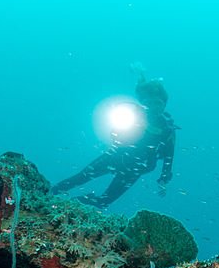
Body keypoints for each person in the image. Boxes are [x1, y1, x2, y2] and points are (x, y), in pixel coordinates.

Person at [51, 76, 177, 207]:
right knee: (80, 178)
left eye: (158, 103)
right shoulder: (133, 116)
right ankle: (48, 194)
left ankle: (72, 206)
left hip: (135, 169)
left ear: (164, 105)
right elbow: (115, 135)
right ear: (143, 103)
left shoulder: (168, 130)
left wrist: (164, 179)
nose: (154, 107)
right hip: (115, 157)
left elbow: (169, 155)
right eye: (149, 103)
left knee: (104, 202)